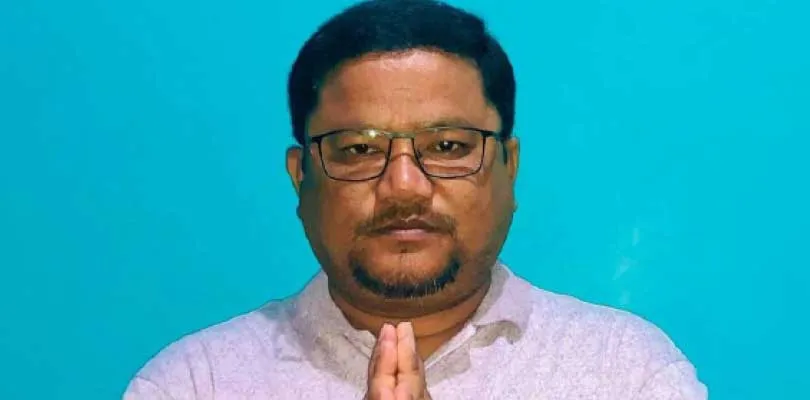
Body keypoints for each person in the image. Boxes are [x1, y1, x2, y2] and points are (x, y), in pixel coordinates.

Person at [124, 0, 707, 399]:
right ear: (301, 178)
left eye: (448, 146)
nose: (403, 185)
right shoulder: (194, 384)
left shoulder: (625, 372)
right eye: (358, 150)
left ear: (509, 168)